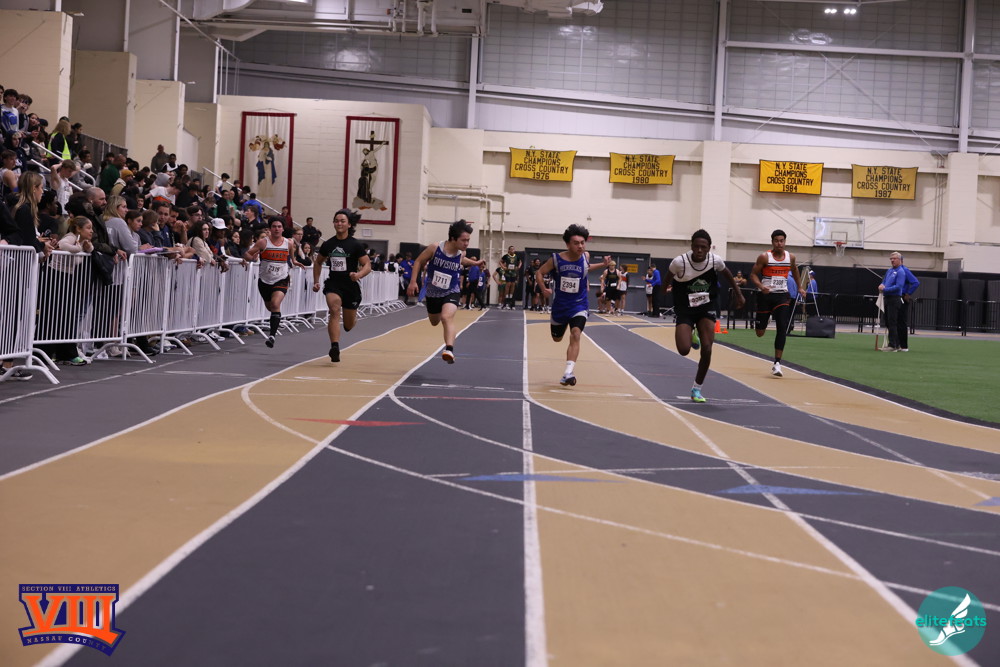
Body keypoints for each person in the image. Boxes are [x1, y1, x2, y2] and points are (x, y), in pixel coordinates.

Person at [667, 229, 746, 403]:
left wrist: (739, 294)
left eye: (703, 247)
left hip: (706, 307)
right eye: (696, 246)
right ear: (691, 246)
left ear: (709, 248)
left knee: (708, 348)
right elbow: (667, 280)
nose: (699, 250)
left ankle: (697, 388)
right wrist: (666, 289)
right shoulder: (679, 262)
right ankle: (692, 333)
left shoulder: (715, 261)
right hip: (685, 309)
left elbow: (728, 276)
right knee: (683, 350)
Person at [536, 224, 611, 386]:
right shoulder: (556, 259)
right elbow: (540, 272)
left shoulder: (585, 256)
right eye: (576, 243)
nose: (580, 246)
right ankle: (567, 370)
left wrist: (603, 264)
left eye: (583, 243)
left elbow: (586, 268)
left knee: (576, 334)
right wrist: (543, 288)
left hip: (579, 305)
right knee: (557, 338)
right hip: (560, 306)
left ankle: (568, 373)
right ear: (568, 244)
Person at [407, 220, 485, 363]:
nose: (467, 243)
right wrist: (413, 282)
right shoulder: (435, 248)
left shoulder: (461, 252)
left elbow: (462, 260)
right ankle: (447, 345)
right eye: (464, 240)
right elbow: (418, 261)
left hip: (451, 290)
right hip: (433, 292)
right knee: (434, 321)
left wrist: (475, 263)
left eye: (468, 240)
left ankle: (449, 350)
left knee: (446, 317)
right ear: (453, 238)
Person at [313, 209, 370, 362]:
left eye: (342, 221)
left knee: (348, 325)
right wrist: (316, 281)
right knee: (334, 310)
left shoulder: (355, 245)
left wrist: (358, 275)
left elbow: (367, 265)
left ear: (349, 224)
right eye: (336, 221)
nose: (339, 223)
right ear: (333, 223)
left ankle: (352, 319)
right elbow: (318, 262)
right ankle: (335, 347)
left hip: (350, 286)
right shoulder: (328, 244)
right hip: (334, 283)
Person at [749, 229, 806, 377]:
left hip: (782, 296)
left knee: (782, 326)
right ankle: (766, 318)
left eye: (782, 241)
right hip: (766, 296)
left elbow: (795, 271)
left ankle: (777, 363)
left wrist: (800, 287)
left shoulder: (790, 257)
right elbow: (753, 274)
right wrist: (761, 286)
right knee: (760, 333)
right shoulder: (764, 257)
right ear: (772, 242)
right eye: (776, 241)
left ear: (785, 242)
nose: (779, 243)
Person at [243, 218, 304, 348]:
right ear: (270, 229)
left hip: (281, 278)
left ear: (283, 229)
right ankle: (275, 320)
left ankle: (272, 336)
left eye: (279, 226)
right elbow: (247, 254)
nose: (277, 229)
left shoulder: (288, 243)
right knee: (270, 307)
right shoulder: (263, 242)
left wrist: (295, 261)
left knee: (275, 304)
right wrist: (251, 258)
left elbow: (291, 257)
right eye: (274, 226)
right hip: (265, 280)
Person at [879, 251, 920, 352]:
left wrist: (908, 293)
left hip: (899, 297)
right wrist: (882, 287)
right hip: (889, 296)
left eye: (894, 258)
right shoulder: (890, 271)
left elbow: (915, 282)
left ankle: (903, 345)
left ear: (901, 260)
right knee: (891, 321)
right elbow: (884, 282)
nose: (892, 260)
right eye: (891, 259)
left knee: (900, 322)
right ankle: (896, 343)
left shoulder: (903, 270)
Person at [500, 245, 521, 310]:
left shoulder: (516, 256)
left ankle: (511, 297)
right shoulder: (506, 256)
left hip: (513, 272)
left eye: (513, 249)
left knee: (513, 284)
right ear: (509, 250)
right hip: (508, 272)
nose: (512, 250)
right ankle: (506, 299)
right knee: (508, 284)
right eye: (511, 249)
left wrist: (518, 267)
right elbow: (500, 261)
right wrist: (503, 267)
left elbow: (520, 262)